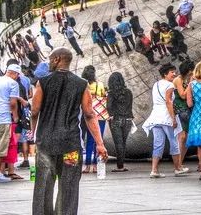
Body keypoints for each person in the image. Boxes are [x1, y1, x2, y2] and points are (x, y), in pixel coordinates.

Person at [30, 49, 108, 215]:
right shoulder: (81, 84)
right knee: (69, 186)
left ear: (57, 59)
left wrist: (32, 133)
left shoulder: (42, 82)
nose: (50, 62)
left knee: (43, 185)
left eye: (51, 59)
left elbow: (35, 111)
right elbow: (89, 114)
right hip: (71, 145)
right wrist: (100, 144)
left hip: (45, 144)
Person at [141, 64, 188, 177]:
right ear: (165, 74)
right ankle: (177, 168)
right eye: (172, 72)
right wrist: (173, 119)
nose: (174, 74)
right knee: (173, 141)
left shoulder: (156, 84)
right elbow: (168, 102)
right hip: (166, 116)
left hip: (155, 116)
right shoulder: (170, 85)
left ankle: (154, 170)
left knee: (158, 143)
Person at [0, 64, 25, 183]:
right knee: (1, 147)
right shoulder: (13, 83)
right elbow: (13, 103)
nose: (17, 77)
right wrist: (16, 116)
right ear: (15, 73)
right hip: (2, 118)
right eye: (18, 75)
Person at [79, 66, 108, 174]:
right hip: (99, 115)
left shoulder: (82, 85)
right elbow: (103, 96)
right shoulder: (99, 85)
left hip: (85, 115)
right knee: (98, 140)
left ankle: (87, 166)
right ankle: (96, 165)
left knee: (89, 141)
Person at [106, 72, 133, 172]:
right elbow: (130, 106)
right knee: (123, 143)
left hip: (116, 120)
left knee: (118, 144)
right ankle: (121, 165)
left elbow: (109, 106)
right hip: (128, 120)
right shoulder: (128, 92)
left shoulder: (111, 93)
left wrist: (111, 115)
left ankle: (120, 166)